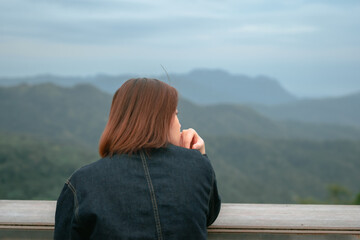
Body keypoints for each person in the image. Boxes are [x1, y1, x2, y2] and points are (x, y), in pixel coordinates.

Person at [54, 78, 221, 239]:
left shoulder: (82, 182)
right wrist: (199, 155)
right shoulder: (197, 167)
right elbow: (209, 214)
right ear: (162, 120)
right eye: (175, 114)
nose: (179, 124)